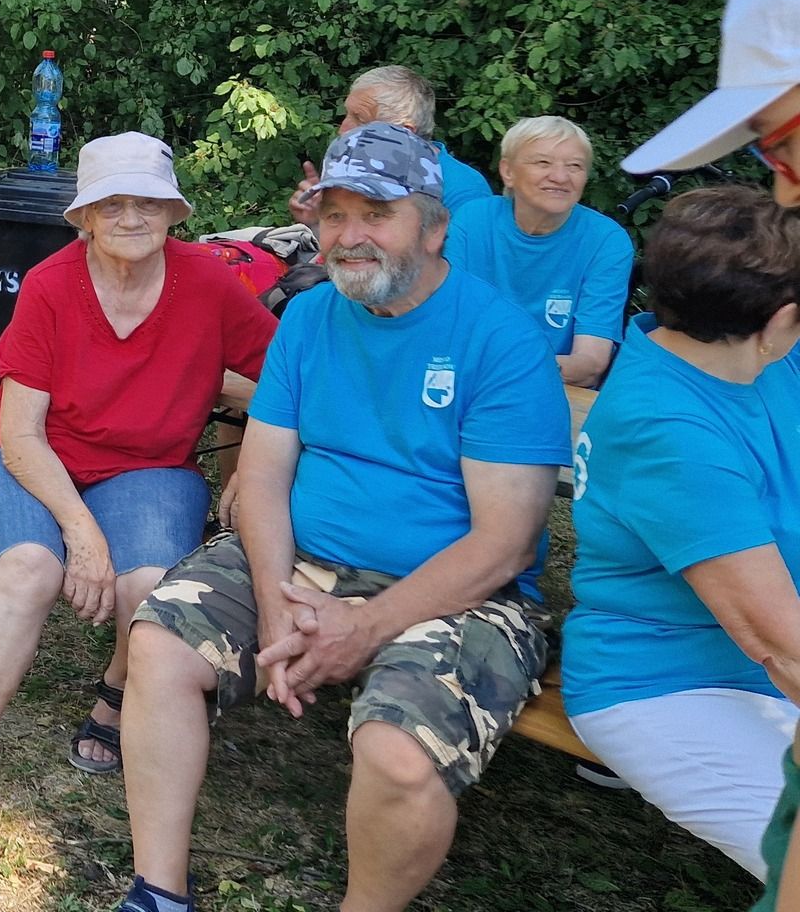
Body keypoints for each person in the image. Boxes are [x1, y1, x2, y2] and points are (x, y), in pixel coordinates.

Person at [119, 122, 568, 912]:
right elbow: (262, 476)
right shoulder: (310, 317)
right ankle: (158, 890)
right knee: (157, 643)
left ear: (435, 227)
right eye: (334, 215)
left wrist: (363, 627)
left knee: (396, 752)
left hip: (462, 593)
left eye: (377, 214)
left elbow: (505, 543)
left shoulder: (500, 340)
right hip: (301, 560)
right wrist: (274, 596)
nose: (350, 236)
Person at [0, 134, 276, 875]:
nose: (131, 216)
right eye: (112, 203)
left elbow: (289, 378)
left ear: (174, 212)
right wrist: (81, 534)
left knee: (148, 587)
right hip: (30, 453)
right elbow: (20, 434)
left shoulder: (209, 284)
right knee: (29, 567)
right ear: (83, 216)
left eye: (148, 201)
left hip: (149, 463)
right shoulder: (51, 285)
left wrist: (252, 463)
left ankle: (115, 690)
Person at [559, 187, 800, 880]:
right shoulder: (668, 428)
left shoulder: (749, 357)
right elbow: (779, 641)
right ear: (778, 319)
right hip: (672, 683)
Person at [445, 115, 633, 389]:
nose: (560, 177)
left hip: (556, 392)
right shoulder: (473, 220)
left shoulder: (606, 241)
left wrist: (511, 370)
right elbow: (447, 323)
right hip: (470, 385)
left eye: (575, 166)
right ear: (508, 171)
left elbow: (590, 363)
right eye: (543, 163)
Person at [287, 64, 489, 225]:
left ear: (405, 133)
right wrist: (318, 220)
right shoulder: (356, 168)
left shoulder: (464, 191)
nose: (343, 130)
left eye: (359, 119)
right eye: (347, 114)